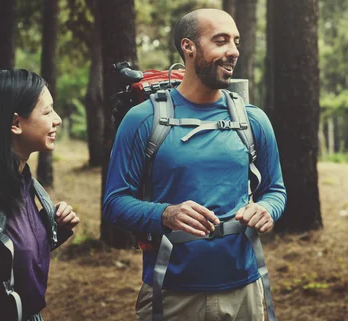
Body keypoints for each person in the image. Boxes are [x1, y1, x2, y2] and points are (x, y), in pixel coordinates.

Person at [103, 8, 286, 321]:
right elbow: (114, 203)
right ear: (188, 47)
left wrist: (267, 209)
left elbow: (275, 190)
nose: (233, 51)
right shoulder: (142, 120)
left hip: (244, 290)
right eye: (220, 41)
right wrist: (166, 214)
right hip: (171, 292)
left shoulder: (252, 119)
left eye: (236, 42)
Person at [0, 69, 80, 321]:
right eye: (48, 111)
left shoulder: (24, 183)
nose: (58, 119)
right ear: (16, 124)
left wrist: (55, 229)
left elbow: (4, 263)